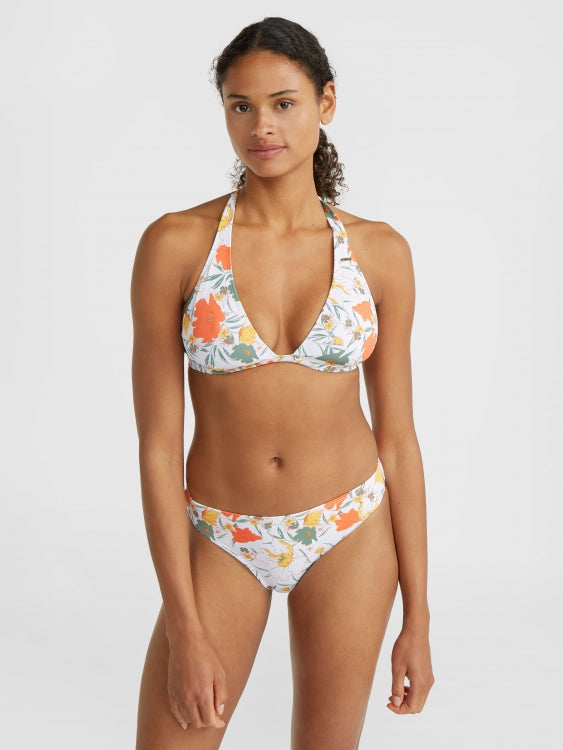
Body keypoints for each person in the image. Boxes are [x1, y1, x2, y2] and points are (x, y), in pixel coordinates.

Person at [130, 16, 434, 749]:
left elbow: (397, 439)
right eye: (241, 105)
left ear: (325, 103)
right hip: (222, 533)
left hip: (348, 530)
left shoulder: (381, 253)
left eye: (283, 103)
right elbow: (158, 448)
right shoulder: (175, 244)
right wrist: (186, 629)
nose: (261, 125)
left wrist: (418, 618)